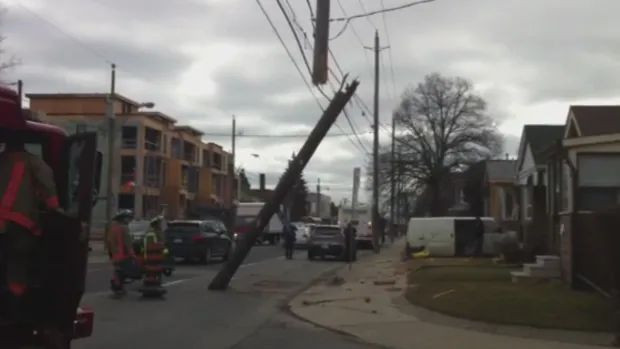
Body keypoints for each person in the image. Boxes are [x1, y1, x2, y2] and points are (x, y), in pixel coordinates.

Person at [0, 133, 60, 321]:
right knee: (17, 268)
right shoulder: (33, 163)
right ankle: (14, 311)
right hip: (19, 226)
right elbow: (48, 187)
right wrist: (55, 208)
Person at [106, 210, 136, 296]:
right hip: (122, 254)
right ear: (123, 218)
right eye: (128, 218)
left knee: (117, 270)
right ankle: (119, 287)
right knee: (123, 271)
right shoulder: (124, 228)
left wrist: (111, 253)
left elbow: (108, 241)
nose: (129, 220)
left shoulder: (112, 227)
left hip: (114, 253)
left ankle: (117, 287)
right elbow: (128, 243)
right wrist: (132, 254)